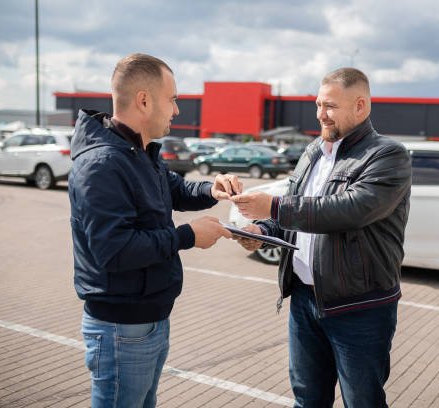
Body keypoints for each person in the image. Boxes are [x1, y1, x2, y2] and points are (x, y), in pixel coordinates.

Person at [68, 53, 241, 407]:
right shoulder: (103, 164)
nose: (176, 110)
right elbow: (114, 250)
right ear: (144, 100)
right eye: (172, 99)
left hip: (148, 322)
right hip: (122, 330)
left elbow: (174, 189)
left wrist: (212, 188)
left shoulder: (136, 151)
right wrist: (187, 236)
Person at [232, 67, 412, 407]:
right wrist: (262, 232)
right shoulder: (315, 150)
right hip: (304, 301)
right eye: (318, 104)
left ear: (360, 106)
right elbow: (297, 212)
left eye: (329, 106)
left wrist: (272, 206)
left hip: (359, 307)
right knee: (307, 398)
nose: (320, 115)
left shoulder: (387, 155)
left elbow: (348, 210)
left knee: (363, 401)